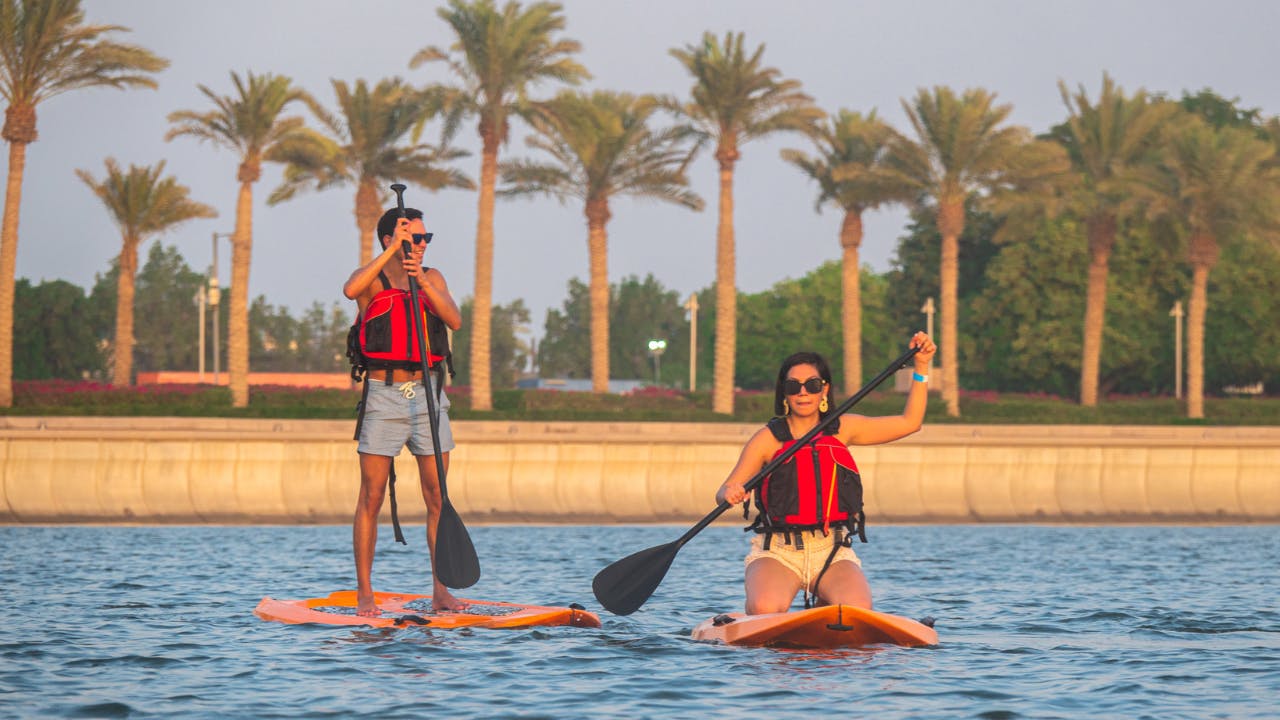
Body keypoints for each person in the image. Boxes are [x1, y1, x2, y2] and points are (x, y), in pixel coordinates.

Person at [714, 332, 937, 615]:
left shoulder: (844, 428)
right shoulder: (767, 439)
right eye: (793, 386)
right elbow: (723, 492)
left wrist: (921, 366)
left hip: (831, 551)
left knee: (857, 609)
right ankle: (762, 614)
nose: (803, 393)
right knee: (765, 607)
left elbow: (910, 423)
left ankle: (825, 606)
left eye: (812, 385)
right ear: (784, 393)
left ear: (824, 390)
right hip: (778, 552)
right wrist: (730, 492)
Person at [343, 206, 463, 616]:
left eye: (427, 238)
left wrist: (421, 282)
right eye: (416, 238)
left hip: (429, 395)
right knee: (371, 495)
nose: (423, 244)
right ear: (391, 239)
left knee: (437, 496)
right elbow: (350, 290)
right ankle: (365, 594)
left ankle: (441, 592)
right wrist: (392, 251)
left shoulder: (432, 277)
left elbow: (454, 319)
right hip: (384, 395)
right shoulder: (371, 280)